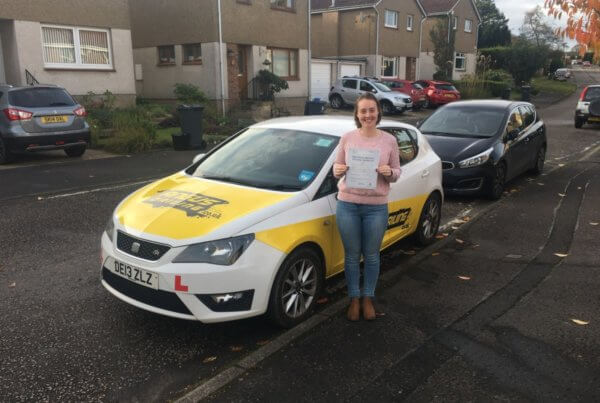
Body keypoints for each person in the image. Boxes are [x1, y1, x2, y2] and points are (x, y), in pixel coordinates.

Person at [333, 93, 401, 321]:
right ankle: (354, 298)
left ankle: (367, 297)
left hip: (375, 208)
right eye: (363, 111)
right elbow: (336, 167)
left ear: (378, 112)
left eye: (372, 110)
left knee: (372, 256)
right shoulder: (347, 138)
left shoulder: (389, 141)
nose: (368, 115)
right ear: (357, 114)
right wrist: (339, 170)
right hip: (348, 205)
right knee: (352, 256)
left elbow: (397, 172)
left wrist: (389, 173)